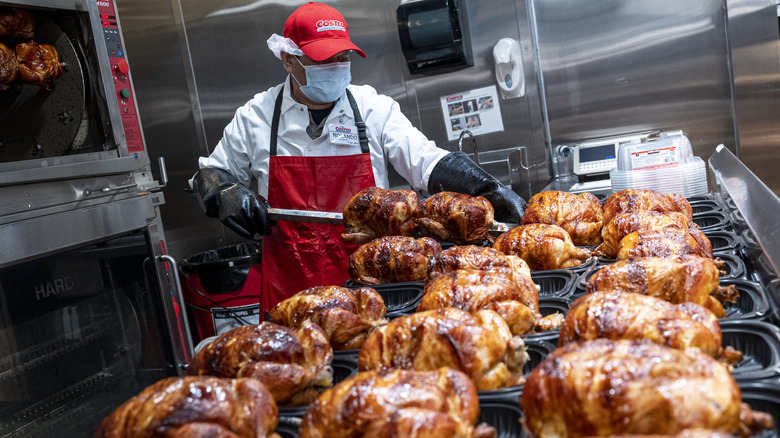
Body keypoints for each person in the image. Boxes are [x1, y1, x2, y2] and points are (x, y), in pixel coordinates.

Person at [191, 1, 526, 312]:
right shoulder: (257, 117)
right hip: (291, 294)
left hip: (372, 283)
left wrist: (485, 187)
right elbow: (211, 175)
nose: (337, 67)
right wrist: (224, 193)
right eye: (324, 59)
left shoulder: (371, 108)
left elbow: (425, 160)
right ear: (288, 59)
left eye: (343, 57)